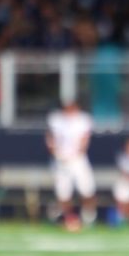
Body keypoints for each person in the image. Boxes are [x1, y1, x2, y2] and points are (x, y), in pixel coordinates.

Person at [45, 98, 96, 231]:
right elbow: (50, 138)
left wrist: (75, 154)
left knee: (87, 190)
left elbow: (84, 140)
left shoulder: (83, 120)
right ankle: (69, 218)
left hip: (78, 160)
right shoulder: (56, 119)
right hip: (60, 160)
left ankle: (88, 217)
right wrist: (56, 152)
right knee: (63, 193)